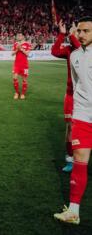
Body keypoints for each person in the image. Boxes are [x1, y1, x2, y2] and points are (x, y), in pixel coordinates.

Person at [54, 15, 92, 224]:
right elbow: (77, 85)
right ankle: (74, 211)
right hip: (83, 115)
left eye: (86, 31)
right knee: (80, 160)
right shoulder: (75, 56)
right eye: (80, 31)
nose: (81, 34)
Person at [51, 20, 81, 172]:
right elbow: (55, 51)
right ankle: (70, 159)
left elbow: (80, 47)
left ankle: (82, 158)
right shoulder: (70, 49)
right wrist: (62, 34)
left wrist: (72, 34)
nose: (79, 34)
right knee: (70, 129)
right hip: (70, 95)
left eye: (82, 31)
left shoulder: (86, 49)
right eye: (78, 31)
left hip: (87, 97)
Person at [11, 33, 31, 99]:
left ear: (23, 36)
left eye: (20, 35)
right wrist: (17, 49)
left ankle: (22, 94)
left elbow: (27, 54)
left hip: (24, 64)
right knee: (14, 78)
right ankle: (17, 93)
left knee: (24, 80)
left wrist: (21, 49)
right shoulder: (15, 44)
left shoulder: (27, 44)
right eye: (17, 36)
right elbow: (12, 54)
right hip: (17, 64)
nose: (18, 37)